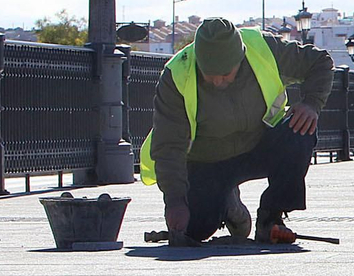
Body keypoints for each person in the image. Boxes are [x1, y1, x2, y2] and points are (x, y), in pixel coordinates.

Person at [142, 18, 333, 247]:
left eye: (225, 74)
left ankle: (271, 218)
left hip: (258, 146)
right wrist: (174, 202)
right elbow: (168, 146)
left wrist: (312, 103)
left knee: (300, 128)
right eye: (208, 73)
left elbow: (320, 62)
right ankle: (229, 205)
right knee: (194, 228)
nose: (216, 80)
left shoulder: (263, 49)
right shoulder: (176, 74)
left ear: (240, 58)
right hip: (206, 162)